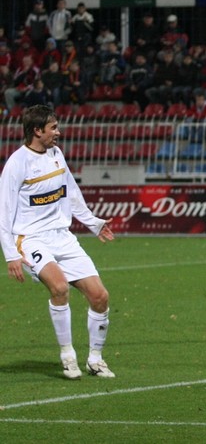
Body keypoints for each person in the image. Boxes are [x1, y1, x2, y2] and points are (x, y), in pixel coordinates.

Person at [0, 105, 116, 379]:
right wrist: (11, 254)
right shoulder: (17, 163)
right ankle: (68, 355)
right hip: (31, 239)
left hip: (62, 237)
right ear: (37, 130)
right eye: (53, 128)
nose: (58, 132)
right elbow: (4, 211)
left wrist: (93, 222)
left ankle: (95, 359)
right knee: (60, 287)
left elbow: (71, 192)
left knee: (100, 296)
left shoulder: (56, 154)